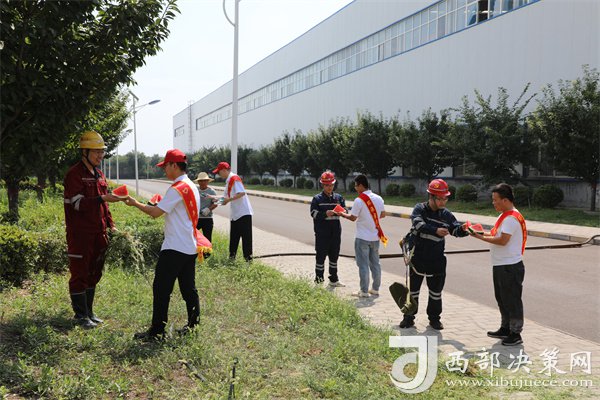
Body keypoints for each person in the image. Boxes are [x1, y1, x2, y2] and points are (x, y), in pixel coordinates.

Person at [125, 149, 202, 341]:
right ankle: (193, 325)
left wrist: (135, 203)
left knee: (161, 288)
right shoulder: (190, 186)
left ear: (174, 165)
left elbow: (155, 213)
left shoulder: (177, 188)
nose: (164, 170)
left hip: (175, 247)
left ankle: (157, 331)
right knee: (188, 289)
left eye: (165, 166)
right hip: (189, 245)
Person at [63, 130, 123, 329]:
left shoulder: (99, 174)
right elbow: (77, 204)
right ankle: (80, 316)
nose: (100, 155)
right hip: (81, 234)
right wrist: (102, 198)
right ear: (85, 152)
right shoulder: (74, 174)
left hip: (99, 233)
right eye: (96, 152)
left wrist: (111, 226)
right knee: (80, 273)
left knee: (94, 273)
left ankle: (89, 312)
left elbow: (104, 206)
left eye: (102, 152)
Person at [399, 179, 469, 331]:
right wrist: (435, 230)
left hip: (436, 260)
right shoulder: (420, 209)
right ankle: (408, 318)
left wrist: (464, 230)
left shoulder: (446, 215)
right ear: (431, 197)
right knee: (413, 291)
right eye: (440, 198)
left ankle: (434, 319)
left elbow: (455, 230)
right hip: (417, 258)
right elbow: (418, 224)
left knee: (436, 293)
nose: (443, 201)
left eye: (445, 198)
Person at [470, 183, 527, 346]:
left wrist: (480, 237)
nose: (493, 203)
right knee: (502, 298)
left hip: (510, 266)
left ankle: (515, 333)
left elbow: (502, 240)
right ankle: (505, 328)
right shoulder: (504, 215)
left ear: (505, 200)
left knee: (512, 300)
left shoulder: (511, 218)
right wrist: (478, 232)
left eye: (495, 200)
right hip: (501, 264)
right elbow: (495, 234)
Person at [339, 174, 386, 298]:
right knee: (375, 264)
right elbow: (382, 214)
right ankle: (375, 289)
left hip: (362, 238)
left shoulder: (359, 200)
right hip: (375, 237)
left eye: (356, 186)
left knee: (363, 265)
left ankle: (364, 291)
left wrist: (342, 214)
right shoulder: (379, 198)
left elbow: (353, 217)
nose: (355, 188)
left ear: (360, 185)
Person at [310, 171, 346, 287]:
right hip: (322, 234)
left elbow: (345, 210)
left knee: (334, 257)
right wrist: (325, 213)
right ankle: (319, 281)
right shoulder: (317, 199)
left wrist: (342, 212)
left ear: (334, 184)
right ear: (322, 185)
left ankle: (334, 280)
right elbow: (313, 213)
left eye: (331, 185)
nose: (329, 187)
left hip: (335, 233)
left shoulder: (339, 198)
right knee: (320, 258)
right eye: (326, 185)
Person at [213, 161, 253, 261]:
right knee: (234, 238)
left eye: (219, 172)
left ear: (224, 170)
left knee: (246, 240)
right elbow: (225, 199)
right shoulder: (228, 181)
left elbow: (241, 193)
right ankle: (231, 260)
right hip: (235, 215)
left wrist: (227, 200)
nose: (219, 174)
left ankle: (248, 261)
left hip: (243, 214)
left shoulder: (234, 178)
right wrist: (213, 199)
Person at [195, 171, 218, 244]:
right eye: (201, 181)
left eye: (205, 181)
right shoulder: (195, 190)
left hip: (207, 218)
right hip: (196, 218)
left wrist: (208, 209)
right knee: (192, 236)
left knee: (207, 239)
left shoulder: (212, 191)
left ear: (208, 181)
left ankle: (207, 251)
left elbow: (217, 202)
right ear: (198, 182)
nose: (203, 182)